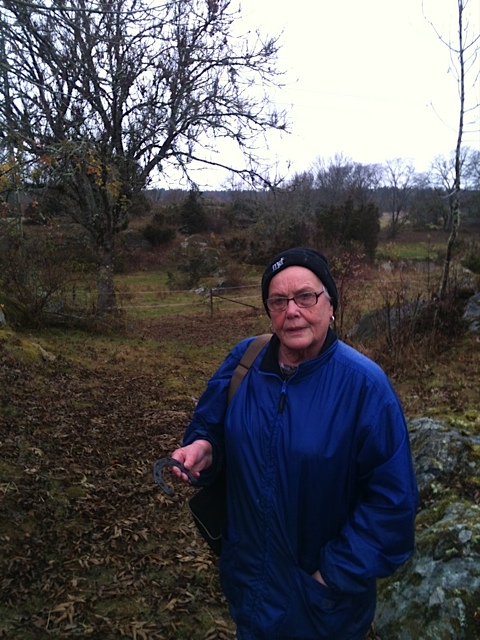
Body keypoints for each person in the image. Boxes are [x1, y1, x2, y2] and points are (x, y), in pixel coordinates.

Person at [171, 247, 418, 640]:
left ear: (330, 305)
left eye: (305, 297)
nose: (292, 311)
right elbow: (210, 424)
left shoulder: (365, 387)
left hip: (324, 610)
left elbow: (392, 506)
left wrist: (328, 576)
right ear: (269, 310)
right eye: (278, 300)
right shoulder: (245, 360)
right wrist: (205, 449)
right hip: (249, 587)